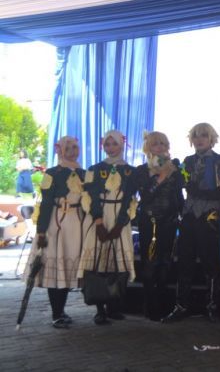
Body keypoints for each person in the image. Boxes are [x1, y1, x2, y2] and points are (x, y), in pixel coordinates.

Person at [163, 123, 220, 323]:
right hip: (189, 216)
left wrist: (200, 192)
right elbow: (180, 186)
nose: (199, 139)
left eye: (204, 135)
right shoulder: (188, 161)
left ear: (211, 138)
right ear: (191, 140)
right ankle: (181, 306)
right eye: (196, 136)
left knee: (211, 262)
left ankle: (212, 306)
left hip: (210, 216)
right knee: (184, 262)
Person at [25, 136, 88, 328]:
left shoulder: (85, 173)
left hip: (77, 225)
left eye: (75, 147)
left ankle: (61, 310)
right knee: (57, 267)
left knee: (68, 269)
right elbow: (45, 204)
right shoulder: (51, 173)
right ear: (59, 150)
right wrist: (41, 231)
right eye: (68, 148)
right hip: (57, 224)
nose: (72, 151)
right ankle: (56, 313)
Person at [78, 130, 137, 325]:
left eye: (114, 144)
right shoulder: (94, 169)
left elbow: (130, 200)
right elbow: (90, 196)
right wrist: (98, 221)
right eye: (107, 144)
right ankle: (99, 309)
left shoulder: (131, 171)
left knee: (118, 263)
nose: (110, 148)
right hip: (99, 218)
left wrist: (120, 224)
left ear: (122, 145)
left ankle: (113, 306)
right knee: (98, 262)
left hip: (120, 219)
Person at [135, 131, 184, 321]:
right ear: (148, 147)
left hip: (169, 222)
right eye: (156, 144)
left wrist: (182, 216)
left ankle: (164, 305)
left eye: (163, 143)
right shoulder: (141, 170)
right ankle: (150, 306)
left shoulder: (175, 169)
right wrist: (161, 176)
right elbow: (146, 196)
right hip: (149, 222)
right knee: (149, 263)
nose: (160, 147)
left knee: (165, 264)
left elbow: (178, 196)